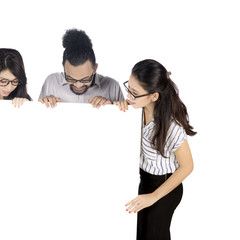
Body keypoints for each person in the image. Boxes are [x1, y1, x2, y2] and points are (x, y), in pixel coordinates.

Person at [114, 59, 196, 240]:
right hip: (145, 181)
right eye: (129, 88)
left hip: (164, 186)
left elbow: (187, 167)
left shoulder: (171, 126)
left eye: (134, 93)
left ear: (154, 96)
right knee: (142, 234)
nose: (128, 96)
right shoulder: (137, 109)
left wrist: (152, 197)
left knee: (154, 235)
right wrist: (116, 106)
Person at [38, 29, 124, 108]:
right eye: (70, 79)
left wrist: (111, 108)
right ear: (63, 67)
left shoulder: (112, 87)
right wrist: (43, 105)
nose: (78, 85)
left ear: (95, 69)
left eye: (85, 79)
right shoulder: (51, 83)